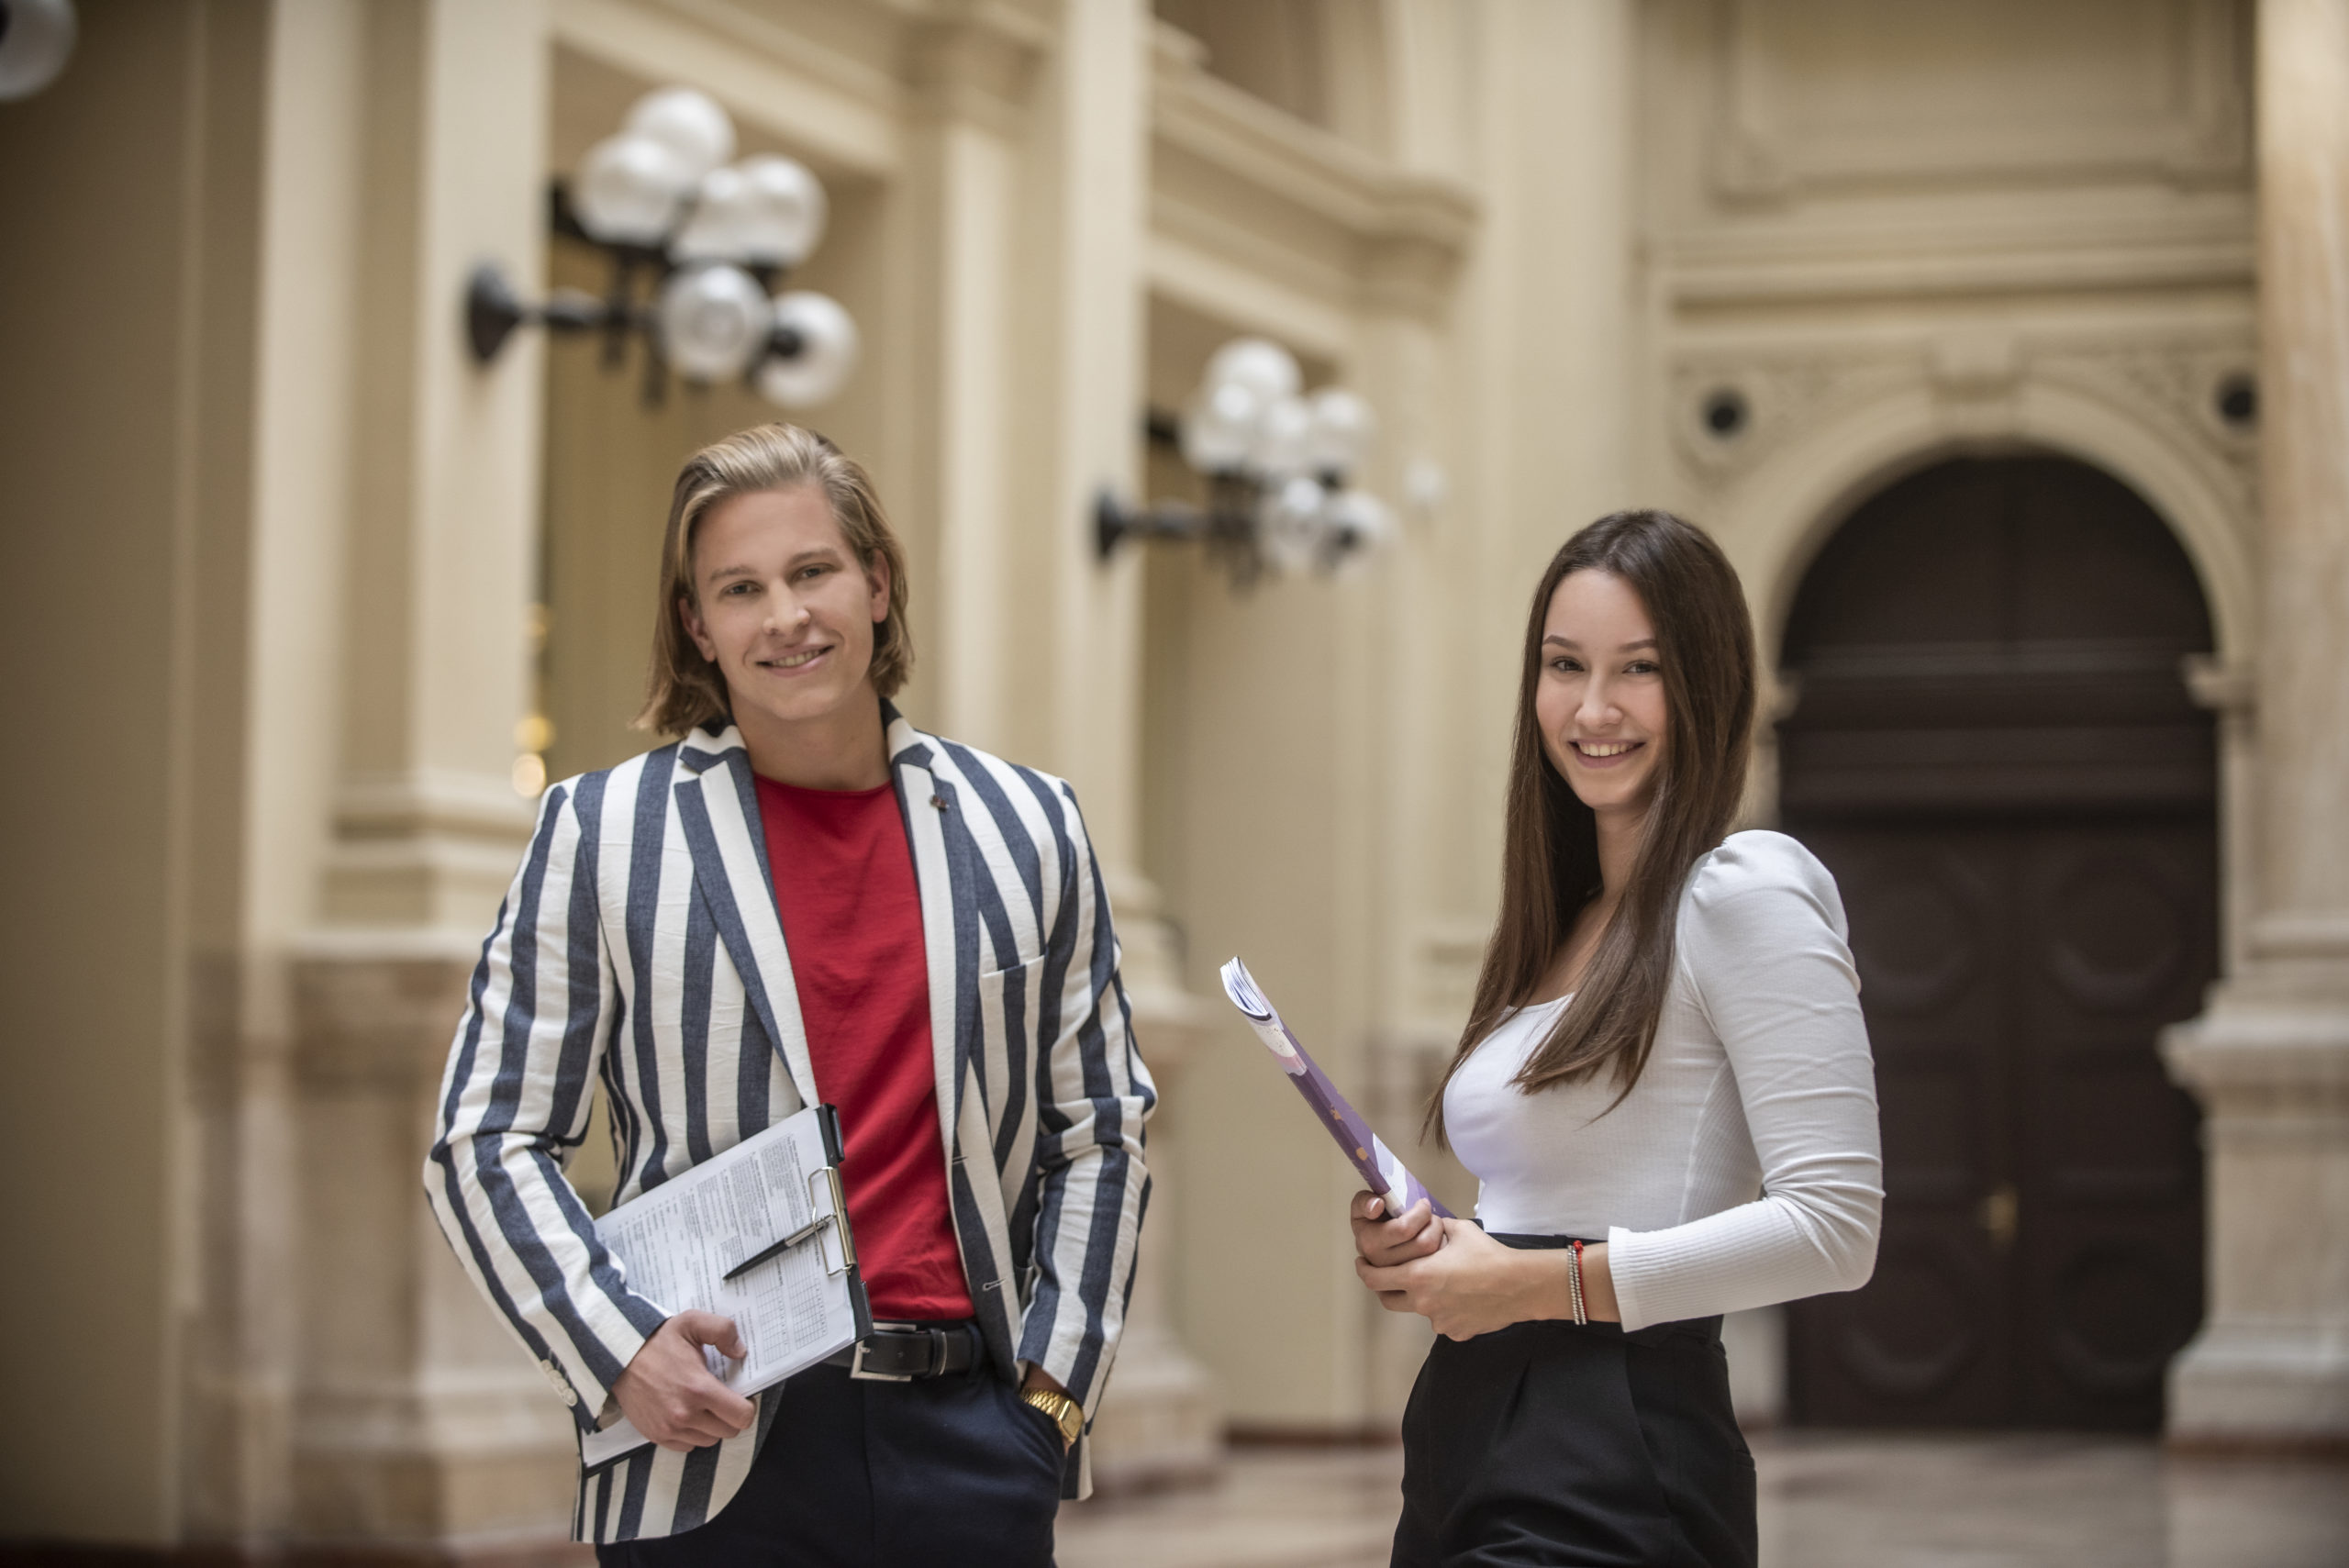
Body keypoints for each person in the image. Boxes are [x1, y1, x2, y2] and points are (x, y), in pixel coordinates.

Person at [424, 423, 1152, 1564]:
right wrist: (617, 1347)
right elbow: (483, 1138)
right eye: (740, 587)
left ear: (878, 582)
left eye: (812, 571)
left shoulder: (1030, 823)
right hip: (712, 1444)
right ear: (696, 624)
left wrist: (1052, 1395)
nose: (786, 616)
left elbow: (1099, 1129)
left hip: (970, 1438)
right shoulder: (603, 832)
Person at [1352, 509, 1881, 1568]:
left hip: (1619, 1437)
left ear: (1707, 684)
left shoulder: (1744, 890)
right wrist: (1428, 1251)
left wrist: (1536, 1282)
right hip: (1467, 1421)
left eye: (1637, 668)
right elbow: (1544, 1201)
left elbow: (1837, 1225)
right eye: (1564, 665)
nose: (1592, 708)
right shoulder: (1564, 922)